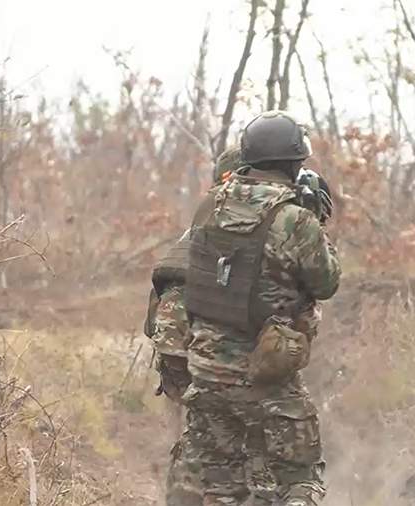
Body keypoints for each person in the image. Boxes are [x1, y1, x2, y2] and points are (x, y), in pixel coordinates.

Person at [179, 110, 340, 506]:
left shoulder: (209, 205)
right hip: (265, 375)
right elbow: (326, 282)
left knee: (220, 488)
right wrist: (316, 222)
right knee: (300, 481)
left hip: (206, 372)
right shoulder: (294, 219)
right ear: (292, 163)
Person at [146, 145, 248, 505]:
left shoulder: (203, 221)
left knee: (194, 439)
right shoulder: (236, 222)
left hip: (176, 348)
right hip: (198, 349)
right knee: (215, 442)